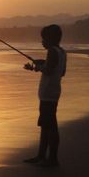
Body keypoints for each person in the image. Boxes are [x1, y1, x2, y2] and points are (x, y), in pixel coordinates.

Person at [23, 24, 67, 167]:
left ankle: (52, 159)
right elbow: (61, 71)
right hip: (54, 92)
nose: (42, 41)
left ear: (51, 38)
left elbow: (48, 71)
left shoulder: (52, 52)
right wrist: (42, 63)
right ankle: (41, 156)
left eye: (44, 39)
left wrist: (35, 67)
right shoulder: (62, 52)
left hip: (48, 93)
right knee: (46, 125)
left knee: (51, 126)